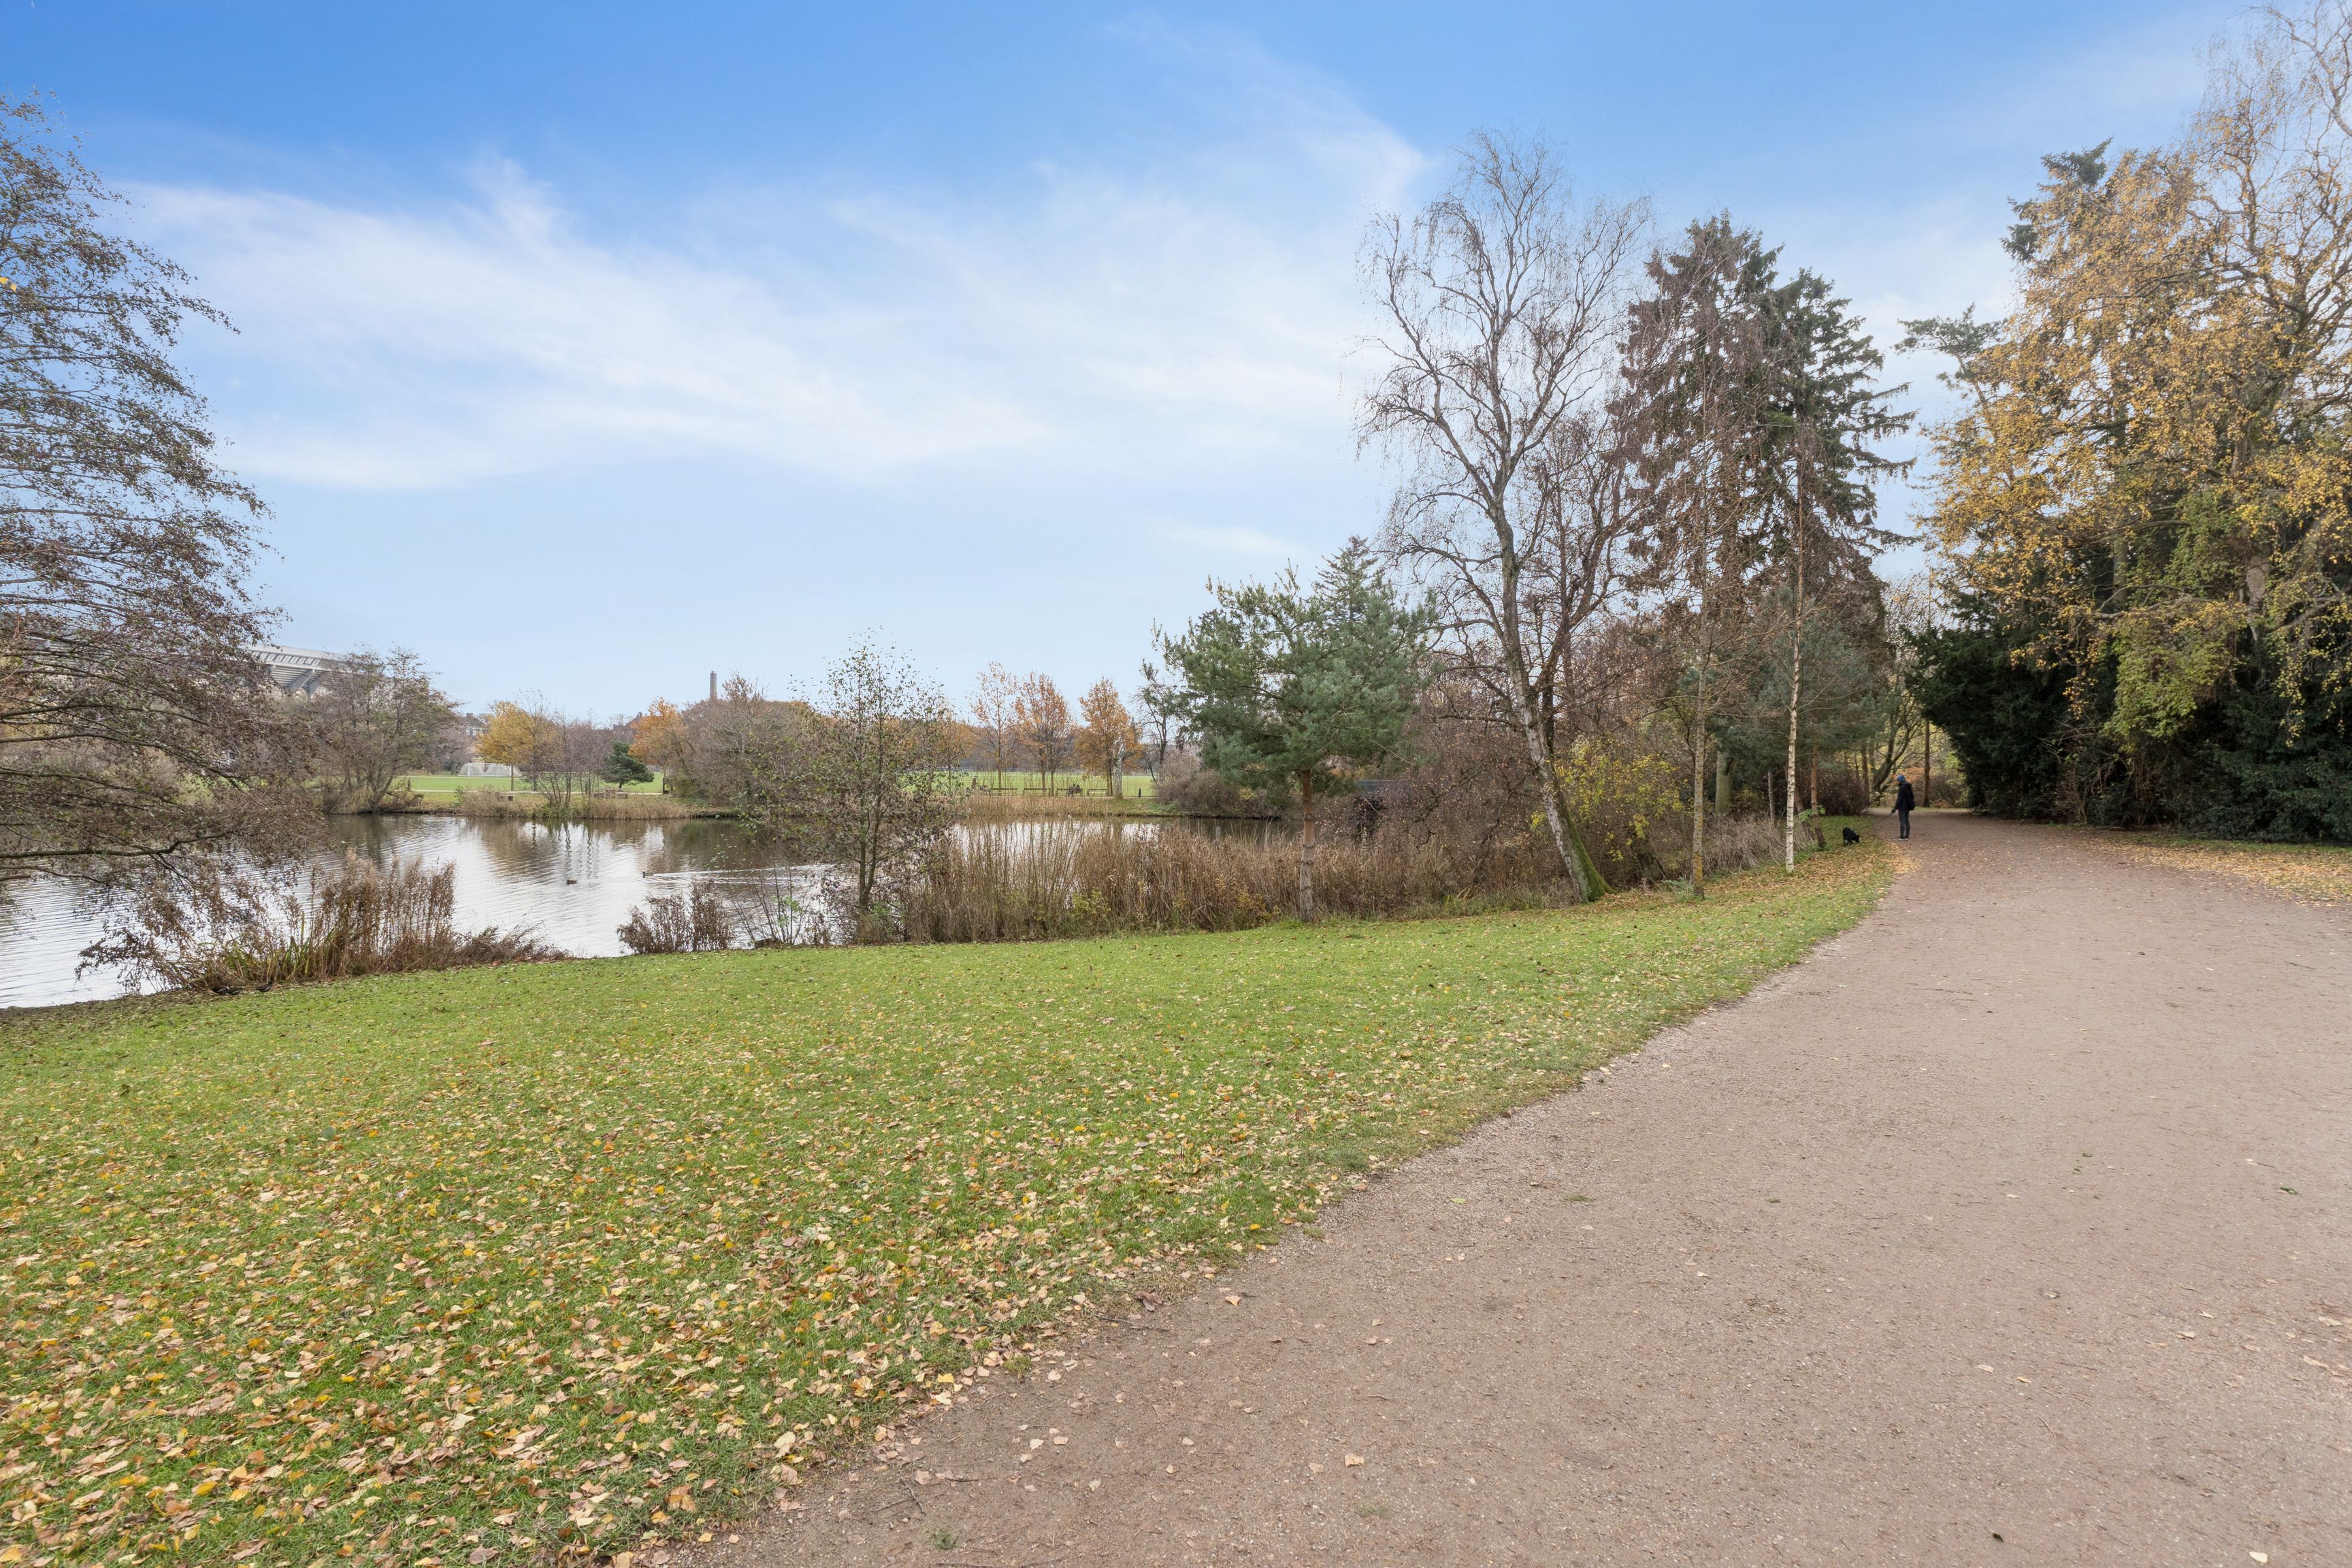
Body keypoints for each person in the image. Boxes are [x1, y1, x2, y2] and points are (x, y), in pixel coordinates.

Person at [1893, 772, 1916, 840]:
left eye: (1897, 781)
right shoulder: (1908, 787)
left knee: (1902, 821)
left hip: (1902, 807)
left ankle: (1902, 837)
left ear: (1900, 781)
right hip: (1908, 807)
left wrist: (1895, 808)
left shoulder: (1902, 788)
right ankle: (1907, 836)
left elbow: (1899, 799)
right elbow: (1912, 797)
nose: (1897, 782)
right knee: (1907, 821)